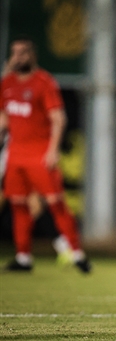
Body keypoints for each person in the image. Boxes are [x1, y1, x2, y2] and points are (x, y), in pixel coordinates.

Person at [0, 35, 91, 273]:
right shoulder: (7, 84)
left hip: (39, 154)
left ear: (33, 55)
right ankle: (23, 257)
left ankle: (77, 253)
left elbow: (58, 118)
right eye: (15, 53)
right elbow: (3, 118)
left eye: (23, 52)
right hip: (15, 155)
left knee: (55, 203)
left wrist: (52, 151)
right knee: (18, 205)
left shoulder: (43, 82)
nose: (18, 57)